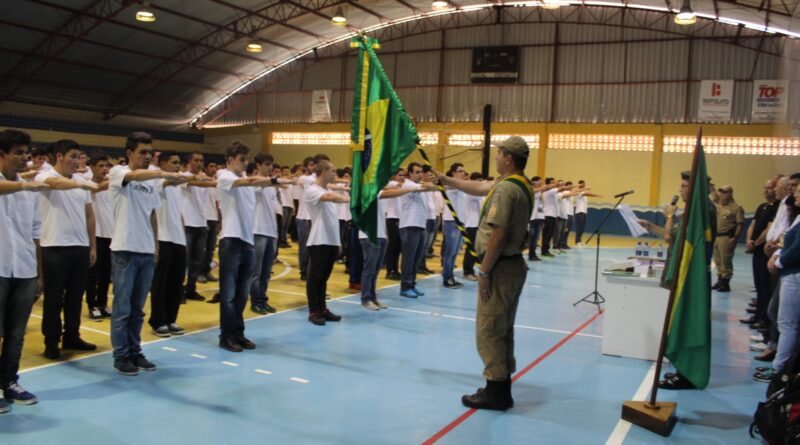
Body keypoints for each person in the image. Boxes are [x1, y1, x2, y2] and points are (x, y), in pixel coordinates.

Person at [436, 136, 533, 411]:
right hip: (512, 266)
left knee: (489, 329)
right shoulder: (519, 184)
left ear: (508, 159)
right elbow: (479, 187)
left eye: (499, 153)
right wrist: (446, 179)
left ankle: (496, 392)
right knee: (503, 328)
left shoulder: (505, 190)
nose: (496, 157)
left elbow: (498, 234)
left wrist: (484, 270)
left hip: (499, 268)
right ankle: (500, 385)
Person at [108, 132, 187, 375]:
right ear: (129, 153)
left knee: (138, 309)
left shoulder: (151, 181)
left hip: (145, 250)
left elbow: (152, 214)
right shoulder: (119, 172)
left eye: (149, 153)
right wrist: (162, 173)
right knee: (122, 309)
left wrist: (155, 245)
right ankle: (121, 355)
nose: (147, 157)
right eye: (142, 152)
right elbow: (134, 176)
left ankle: (135, 351)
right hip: (124, 250)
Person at [35, 139, 99, 360]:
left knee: (75, 297)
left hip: (79, 247)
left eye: (78, 157)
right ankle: (51, 341)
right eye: (72, 156)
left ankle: (72, 336)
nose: (76, 161)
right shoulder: (44, 175)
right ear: (59, 156)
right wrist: (82, 185)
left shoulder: (82, 181)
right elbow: (55, 183)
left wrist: (92, 245)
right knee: (54, 299)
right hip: (54, 247)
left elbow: (89, 215)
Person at [0, 129, 49, 409]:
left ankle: (9, 381)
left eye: (26, 153)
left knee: (16, 333)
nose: (25, 158)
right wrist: (24, 186)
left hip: (24, 269)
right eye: (18, 153)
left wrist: (39, 273)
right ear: (2, 154)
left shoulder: (28, 192)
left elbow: (35, 233)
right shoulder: (24, 188)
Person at [216, 141, 277, 352]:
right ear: (230, 160)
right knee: (229, 294)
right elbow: (248, 181)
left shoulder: (246, 181)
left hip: (247, 241)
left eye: (246, 159)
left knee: (242, 294)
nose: (245, 163)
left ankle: (238, 332)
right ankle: (226, 335)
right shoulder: (224, 176)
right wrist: (275, 180)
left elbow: (251, 182)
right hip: (231, 240)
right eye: (242, 159)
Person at [148, 151, 195, 338]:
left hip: (178, 239)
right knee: (160, 283)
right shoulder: (158, 181)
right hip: (163, 238)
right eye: (174, 162)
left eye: (179, 163)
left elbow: (179, 213)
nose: (177, 166)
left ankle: (171, 319)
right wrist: (192, 176)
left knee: (176, 283)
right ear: (162, 164)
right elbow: (171, 181)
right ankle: (158, 321)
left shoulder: (178, 186)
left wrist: (183, 236)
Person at [304, 160, 349, 325]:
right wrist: (351, 200)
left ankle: (322, 308)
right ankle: (313, 311)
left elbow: (332, 218)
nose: (335, 174)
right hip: (319, 240)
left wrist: (337, 243)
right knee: (315, 278)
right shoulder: (312, 190)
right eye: (333, 171)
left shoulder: (327, 189)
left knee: (323, 278)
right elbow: (330, 197)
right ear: (324, 172)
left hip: (330, 240)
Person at [248, 154, 290, 315]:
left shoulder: (271, 186)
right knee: (256, 272)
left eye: (271, 164)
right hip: (258, 231)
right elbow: (259, 183)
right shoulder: (255, 182)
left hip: (271, 232)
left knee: (266, 272)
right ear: (258, 165)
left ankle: (263, 299)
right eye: (266, 164)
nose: (270, 167)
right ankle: (255, 301)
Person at [182, 152, 215, 302]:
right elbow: (194, 182)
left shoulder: (204, 178)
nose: (199, 163)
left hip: (201, 223)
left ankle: (191, 289)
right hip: (188, 223)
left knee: (196, 260)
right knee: (184, 260)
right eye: (196, 160)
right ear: (189, 161)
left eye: (201, 160)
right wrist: (207, 180)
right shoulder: (184, 177)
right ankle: (178, 290)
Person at [398, 162, 434, 298]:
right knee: (409, 258)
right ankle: (405, 287)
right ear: (410, 174)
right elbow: (426, 187)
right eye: (417, 172)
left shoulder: (419, 186)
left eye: (421, 172)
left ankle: (412, 284)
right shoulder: (408, 185)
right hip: (409, 225)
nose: (420, 175)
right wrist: (442, 185)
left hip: (419, 225)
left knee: (416, 258)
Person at [85, 152, 113, 321]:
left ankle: (103, 303)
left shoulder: (111, 186)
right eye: (100, 166)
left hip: (110, 234)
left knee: (106, 273)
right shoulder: (87, 184)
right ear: (92, 168)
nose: (104, 169)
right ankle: (92, 305)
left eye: (106, 166)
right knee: (92, 274)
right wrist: (116, 181)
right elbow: (96, 188)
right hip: (95, 235)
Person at [712, 185, 744, 292]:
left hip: (726, 237)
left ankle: (725, 283)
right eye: (721, 192)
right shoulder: (720, 206)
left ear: (730, 193)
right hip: (717, 236)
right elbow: (714, 196)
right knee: (718, 260)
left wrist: (735, 237)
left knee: (725, 260)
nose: (722, 194)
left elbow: (740, 224)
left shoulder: (736, 208)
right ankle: (720, 279)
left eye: (724, 192)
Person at [441, 163, 468, 288]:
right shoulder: (451, 185)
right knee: (450, 252)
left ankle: (450, 276)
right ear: (453, 173)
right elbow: (447, 186)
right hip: (451, 222)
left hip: (460, 222)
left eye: (463, 171)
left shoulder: (462, 186)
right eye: (460, 171)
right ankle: (447, 278)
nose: (463, 173)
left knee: (455, 252)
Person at [199, 161, 220, 284]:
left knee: (211, 248)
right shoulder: (201, 181)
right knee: (202, 248)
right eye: (211, 166)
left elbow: (217, 203)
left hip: (213, 218)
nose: (214, 169)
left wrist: (219, 220)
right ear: (205, 168)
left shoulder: (215, 183)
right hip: (204, 218)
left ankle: (206, 270)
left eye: (215, 166)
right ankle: (199, 272)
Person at [383, 168, 406, 280]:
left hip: (400, 219)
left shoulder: (401, 187)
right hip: (391, 218)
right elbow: (394, 184)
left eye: (403, 175)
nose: (402, 177)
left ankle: (395, 269)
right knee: (392, 245)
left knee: (398, 246)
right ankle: (390, 270)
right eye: (400, 175)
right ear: (394, 176)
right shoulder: (390, 184)